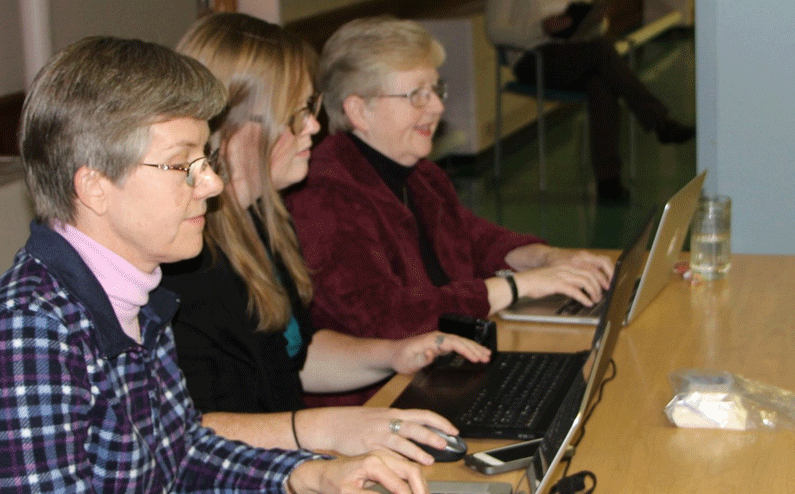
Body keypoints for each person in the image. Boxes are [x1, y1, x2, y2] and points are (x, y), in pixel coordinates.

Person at [0, 36, 433, 494]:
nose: (212, 183)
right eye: (183, 165)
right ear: (95, 187)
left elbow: (180, 455)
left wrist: (307, 476)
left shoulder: (134, 297)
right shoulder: (25, 337)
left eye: (206, 159)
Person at [162, 13, 490, 442]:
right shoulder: (184, 264)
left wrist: (394, 353)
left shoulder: (266, 219)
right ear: (235, 126)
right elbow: (190, 434)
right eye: (298, 114)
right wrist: (327, 429)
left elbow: (296, 354)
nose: (314, 128)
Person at [286, 17, 615, 363]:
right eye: (417, 96)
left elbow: (472, 238)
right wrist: (519, 287)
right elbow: (385, 318)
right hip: (383, 396)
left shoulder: (420, 174)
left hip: (450, 358)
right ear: (358, 111)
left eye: (435, 90)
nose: (437, 107)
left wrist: (546, 259)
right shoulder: (323, 195)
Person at [484, 0, 695, 202]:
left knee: (600, 82)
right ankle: (660, 121)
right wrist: (542, 28)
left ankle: (608, 181)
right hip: (532, 58)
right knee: (601, 51)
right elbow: (495, 32)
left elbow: (594, 27)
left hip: (574, 52)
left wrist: (596, 21)